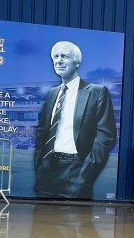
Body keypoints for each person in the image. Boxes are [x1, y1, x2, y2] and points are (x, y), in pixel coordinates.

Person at [34, 41, 117, 199]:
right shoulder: (52, 93)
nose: (58, 60)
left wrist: (85, 175)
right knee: (42, 218)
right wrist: (39, 163)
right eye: (55, 57)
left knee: (75, 221)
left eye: (64, 56)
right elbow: (42, 130)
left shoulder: (96, 92)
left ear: (77, 61)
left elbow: (106, 136)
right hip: (46, 171)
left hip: (76, 171)